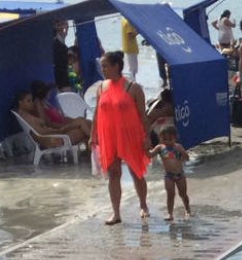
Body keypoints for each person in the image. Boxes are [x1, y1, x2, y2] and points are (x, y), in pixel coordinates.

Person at [92, 51, 151, 225]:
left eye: (105, 65)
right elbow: (97, 112)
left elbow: (143, 115)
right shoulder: (101, 87)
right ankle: (116, 212)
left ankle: (143, 205)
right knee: (113, 173)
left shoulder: (133, 87)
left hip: (130, 135)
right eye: (101, 66)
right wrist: (92, 135)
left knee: (136, 171)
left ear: (116, 66)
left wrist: (147, 136)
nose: (102, 69)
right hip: (108, 135)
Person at [12, 90, 88, 149]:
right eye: (28, 101)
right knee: (82, 127)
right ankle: (97, 146)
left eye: (31, 100)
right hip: (53, 140)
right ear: (20, 102)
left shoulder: (27, 114)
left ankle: (94, 147)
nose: (31, 103)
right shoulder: (26, 117)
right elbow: (40, 132)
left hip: (54, 135)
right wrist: (60, 130)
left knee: (82, 123)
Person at [149, 125, 191, 221]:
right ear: (160, 138)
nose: (167, 141)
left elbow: (187, 158)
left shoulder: (178, 147)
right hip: (169, 175)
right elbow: (150, 155)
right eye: (164, 139)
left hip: (180, 175)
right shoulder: (160, 148)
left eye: (170, 139)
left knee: (183, 194)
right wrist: (145, 147)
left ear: (175, 137)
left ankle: (187, 209)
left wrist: (182, 152)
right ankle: (169, 213)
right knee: (170, 194)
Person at [52, 21, 71, 91]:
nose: (61, 27)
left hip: (63, 68)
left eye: (61, 24)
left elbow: (65, 32)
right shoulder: (54, 37)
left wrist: (66, 26)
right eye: (58, 24)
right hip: (57, 68)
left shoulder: (61, 37)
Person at [120, 18, 139, 82]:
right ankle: (133, 81)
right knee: (133, 68)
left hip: (127, 47)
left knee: (131, 66)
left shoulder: (123, 20)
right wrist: (138, 32)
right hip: (131, 47)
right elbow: (130, 34)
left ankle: (133, 81)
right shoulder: (128, 22)